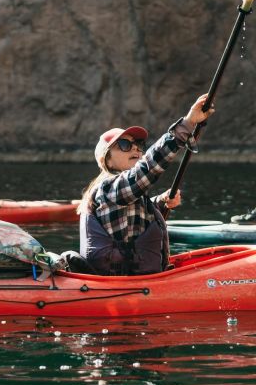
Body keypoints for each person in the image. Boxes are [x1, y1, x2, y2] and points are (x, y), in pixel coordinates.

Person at [77, 94, 214, 276]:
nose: (135, 148)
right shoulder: (109, 188)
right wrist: (188, 123)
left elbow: (130, 214)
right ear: (106, 159)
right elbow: (147, 169)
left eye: (139, 144)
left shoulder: (122, 193)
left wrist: (160, 202)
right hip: (123, 285)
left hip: (139, 279)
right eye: (125, 144)